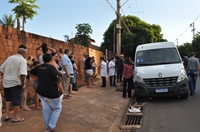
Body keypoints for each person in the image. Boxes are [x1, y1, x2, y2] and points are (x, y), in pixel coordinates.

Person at [30, 54, 66, 132]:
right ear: (51, 59)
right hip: (51, 93)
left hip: (41, 92)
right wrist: (63, 92)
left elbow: (30, 72)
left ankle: (48, 128)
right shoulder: (52, 68)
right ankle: (51, 127)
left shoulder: (39, 67)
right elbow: (58, 82)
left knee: (46, 109)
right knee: (57, 108)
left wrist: (37, 79)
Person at [0, 45, 27, 122]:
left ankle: (7, 115)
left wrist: (4, 78)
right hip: (16, 83)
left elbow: (1, 69)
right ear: (24, 54)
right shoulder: (22, 60)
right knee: (17, 100)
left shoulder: (9, 58)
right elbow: (22, 74)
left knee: (8, 99)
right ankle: (16, 117)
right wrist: (22, 83)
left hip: (7, 83)